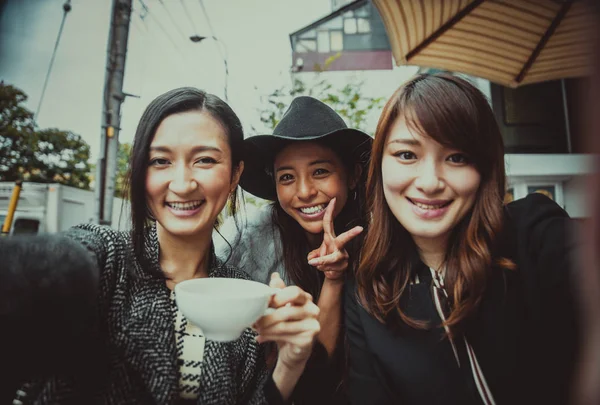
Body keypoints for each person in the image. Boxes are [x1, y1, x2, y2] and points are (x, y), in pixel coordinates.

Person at [2, 87, 320, 404]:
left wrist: (291, 362)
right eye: (160, 161)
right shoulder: (105, 257)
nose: (182, 184)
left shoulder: (245, 294)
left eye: (205, 160)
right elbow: (54, 268)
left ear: (235, 173)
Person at [345, 73, 579, 405]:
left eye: (456, 157)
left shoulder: (533, 232)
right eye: (407, 155)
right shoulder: (367, 291)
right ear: (380, 163)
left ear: (484, 169)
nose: (429, 182)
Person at [215, 96, 372, 403]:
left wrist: (338, 274)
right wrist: (333, 277)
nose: (304, 192)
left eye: (320, 172)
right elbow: (312, 364)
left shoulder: (381, 240)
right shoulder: (249, 250)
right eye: (287, 177)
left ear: (352, 175)